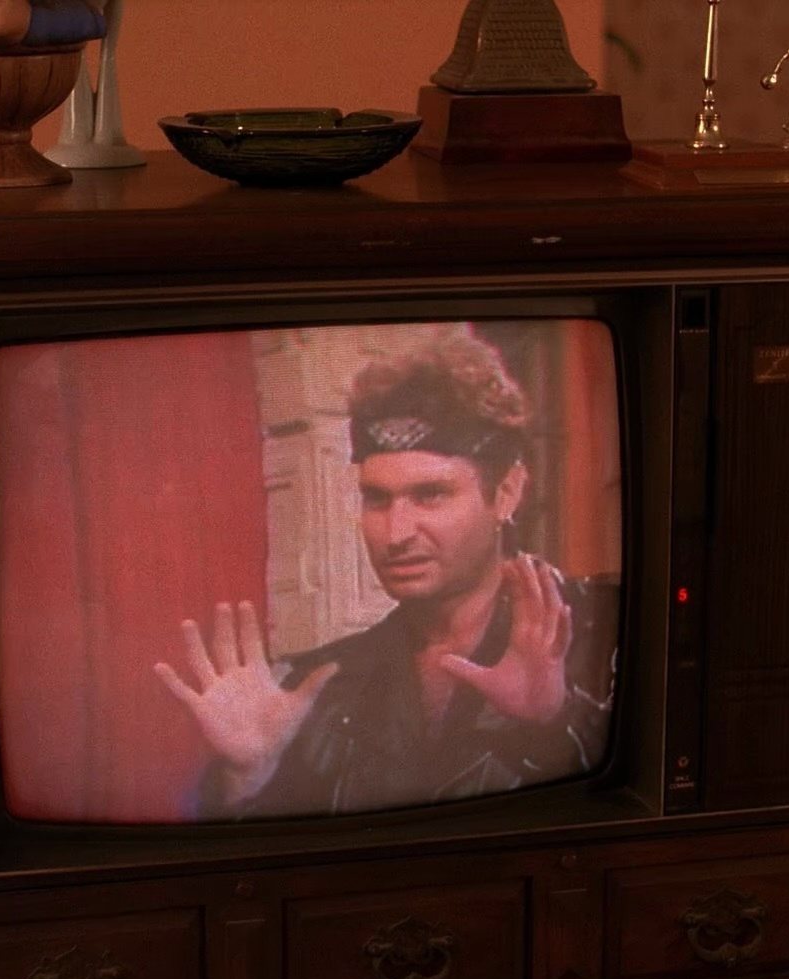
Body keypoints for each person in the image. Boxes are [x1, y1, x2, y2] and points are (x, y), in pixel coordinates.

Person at [154, 335, 618, 818]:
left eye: (430, 495)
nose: (396, 534)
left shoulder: (610, 631)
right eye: (377, 499)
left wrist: (557, 723)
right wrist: (248, 777)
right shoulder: (328, 685)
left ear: (505, 493)